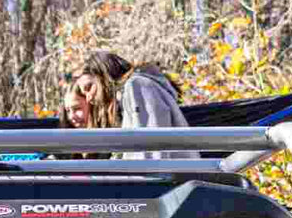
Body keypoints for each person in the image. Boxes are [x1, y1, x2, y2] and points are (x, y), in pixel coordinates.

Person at [61, 51, 198, 160]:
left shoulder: (138, 86)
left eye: (89, 87)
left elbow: (152, 152)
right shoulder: (127, 97)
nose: (89, 98)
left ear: (103, 76)